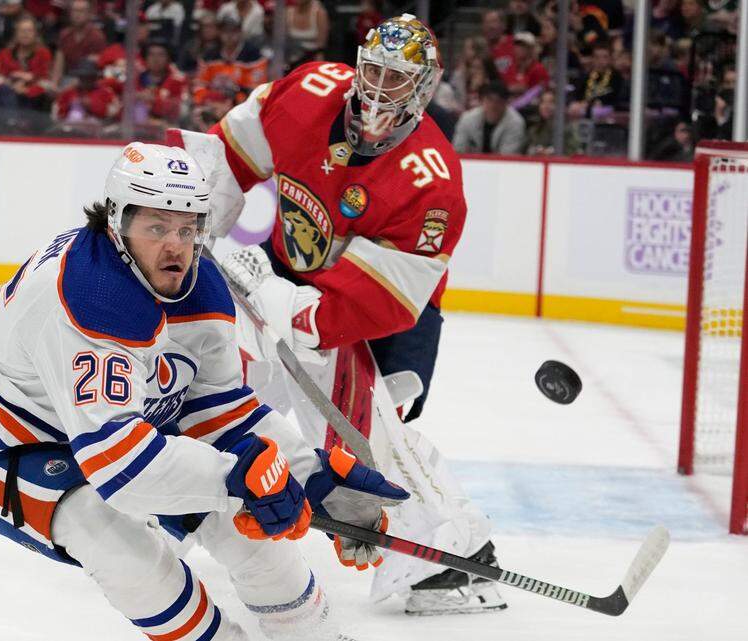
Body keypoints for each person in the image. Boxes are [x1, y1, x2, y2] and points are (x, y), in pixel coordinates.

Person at [0, 141, 410, 640]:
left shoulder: (201, 288)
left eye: (188, 228)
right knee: (121, 549)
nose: (176, 246)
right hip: (1, 437)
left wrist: (311, 474)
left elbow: (220, 414)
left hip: (112, 425)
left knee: (258, 543)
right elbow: (120, 470)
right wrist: (243, 479)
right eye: (156, 227)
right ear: (116, 222)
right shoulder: (90, 296)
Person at [168, 14, 503, 615]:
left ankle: (452, 554)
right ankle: (184, 507)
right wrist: (188, 227)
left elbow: (367, 304)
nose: (377, 87)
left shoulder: (431, 181)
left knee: (361, 434)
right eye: (372, 70)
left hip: (387, 324)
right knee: (226, 390)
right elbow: (224, 158)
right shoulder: (311, 92)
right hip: (288, 276)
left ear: (424, 88)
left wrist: (273, 300)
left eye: (397, 79)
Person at [453, 82, 526, 154]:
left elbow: (508, 156)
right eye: (489, 99)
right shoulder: (467, 118)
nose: (493, 105)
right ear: (482, 100)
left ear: (506, 103)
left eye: (499, 101)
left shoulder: (515, 123)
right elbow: (458, 149)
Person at [50, 0, 106, 88]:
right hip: (67, 78)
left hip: (88, 82)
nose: (77, 15)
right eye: (75, 11)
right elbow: (58, 65)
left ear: (89, 14)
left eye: (81, 11)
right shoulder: (64, 35)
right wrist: (53, 84)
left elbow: (97, 68)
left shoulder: (97, 36)